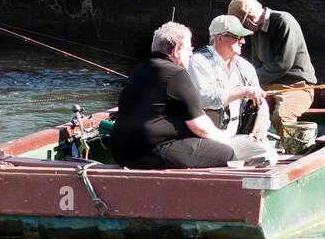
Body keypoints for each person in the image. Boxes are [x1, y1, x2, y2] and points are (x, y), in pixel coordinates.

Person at [109, 21, 274, 170]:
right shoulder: (176, 74)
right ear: (176, 50)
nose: (191, 54)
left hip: (120, 151)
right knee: (226, 153)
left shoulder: (140, 69)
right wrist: (227, 141)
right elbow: (200, 126)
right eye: (189, 49)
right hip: (151, 151)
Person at [226, 0, 318, 136]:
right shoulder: (255, 31)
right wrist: (244, 85)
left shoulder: (283, 21)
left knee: (281, 117)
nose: (243, 33)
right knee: (247, 112)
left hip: (297, 86)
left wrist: (250, 82)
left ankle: (293, 151)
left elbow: (282, 64)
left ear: (253, 19)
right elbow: (255, 66)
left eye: (244, 26)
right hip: (269, 87)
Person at [187, 14, 272, 143]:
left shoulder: (245, 67)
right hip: (206, 139)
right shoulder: (198, 62)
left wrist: (261, 130)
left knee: (266, 155)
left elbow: (262, 104)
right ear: (220, 38)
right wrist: (243, 92)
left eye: (243, 37)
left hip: (239, 137)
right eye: (237, 37)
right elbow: (205, 99)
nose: (243, 41)